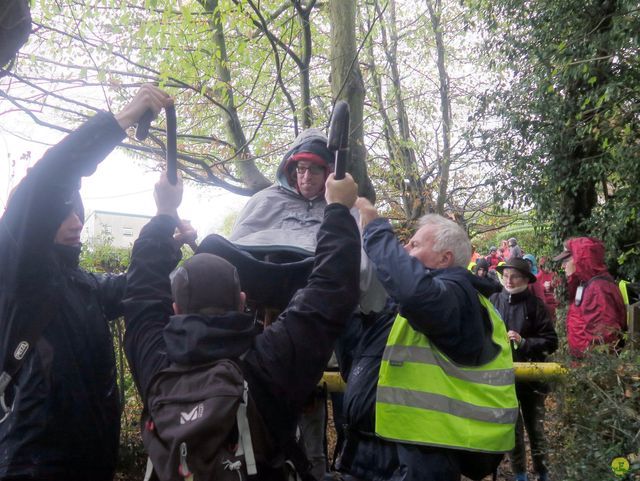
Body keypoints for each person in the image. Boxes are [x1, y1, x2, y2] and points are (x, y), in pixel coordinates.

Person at [123, 171, 361, 480]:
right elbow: (331, 292)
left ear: (176, 309)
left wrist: (164, 213)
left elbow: (141, 294)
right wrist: (340, 209)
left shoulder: (155, 363)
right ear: (242, 301)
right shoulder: (269, 361)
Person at [0, 85, 173, 481]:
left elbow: (138, 287)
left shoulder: (83, 285)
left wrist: (164, 232)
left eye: (78, 214)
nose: (76, 223)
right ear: (39, 223)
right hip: (33, 464)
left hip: (92, 462)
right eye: (63, 215)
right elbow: (46, 180)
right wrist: (121, 121)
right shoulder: (19, 271)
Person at [335, 204, 518, 481]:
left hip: (420, 462)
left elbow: (415, 293)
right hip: (371, 453)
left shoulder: (459, 297)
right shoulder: (403, 310)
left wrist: (373, 227)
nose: (404, 249)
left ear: (445, 259)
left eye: (414, 244)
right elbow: (359, 365)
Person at [491, 258, 558, 481]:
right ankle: (520, 474)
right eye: (506, 275)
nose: (509, 280)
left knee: (536, 430)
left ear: (526, 280)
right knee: (512, 431)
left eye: (515, 276)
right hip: (503, 379)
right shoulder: (493, 301)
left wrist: (524, 342)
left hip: (532, 378)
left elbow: (551, 341)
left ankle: (543, 473)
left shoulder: (536, 305)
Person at [554, 237, 627, 357]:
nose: (562, 266)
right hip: (584, 364)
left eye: (566, 260)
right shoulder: (590, 284)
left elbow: (605, 339)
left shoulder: (597, 289)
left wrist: (591, 369)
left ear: (579, 259)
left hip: (590, 367)